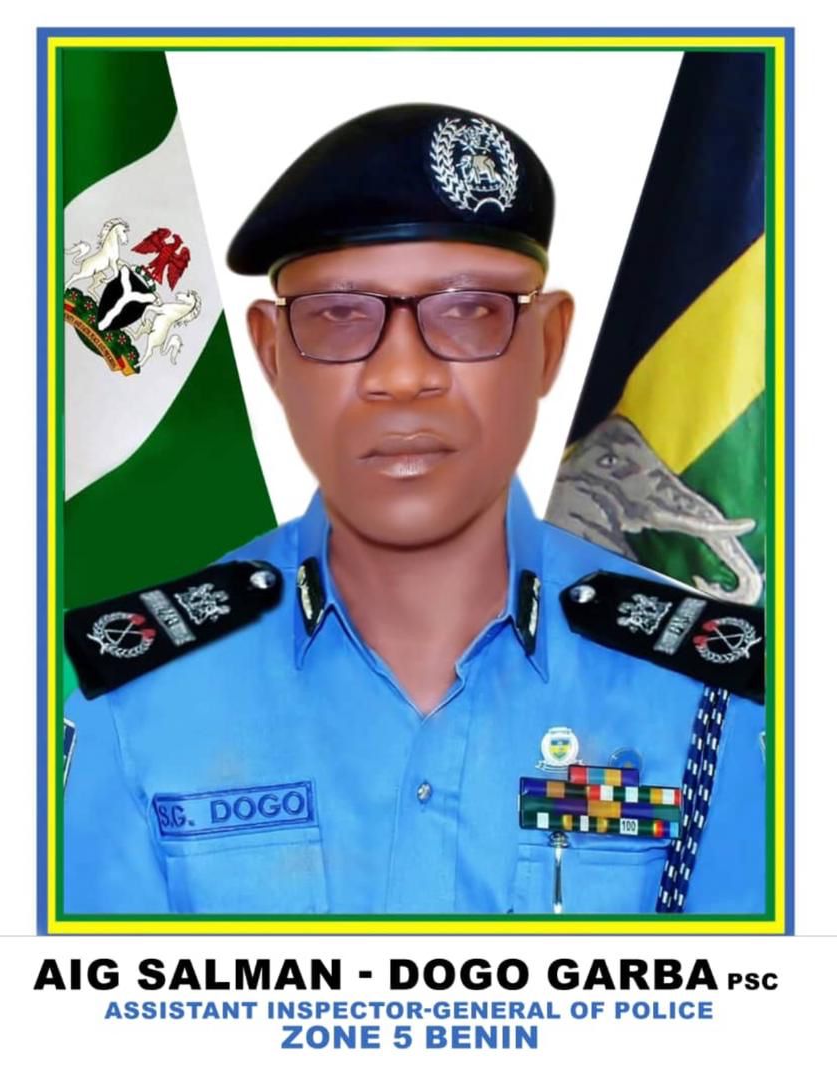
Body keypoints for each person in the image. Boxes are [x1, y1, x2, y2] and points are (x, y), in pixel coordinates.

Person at [63, 104, 765, 917]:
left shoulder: (714, 694)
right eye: (337, 316)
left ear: (548, 343)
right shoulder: (135, 695)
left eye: (468, 312)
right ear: (271, 353)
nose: (402, 376)